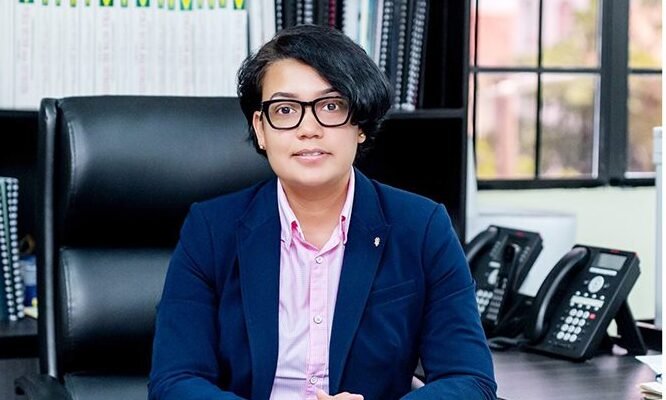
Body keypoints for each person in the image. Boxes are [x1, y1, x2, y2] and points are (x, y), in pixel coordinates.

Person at [148, 24, 497, 400]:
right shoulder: (211, 230)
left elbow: (470, 379)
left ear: (360, 124)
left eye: (331, 106)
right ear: (261, 129)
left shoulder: (422, 228)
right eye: (285, 110)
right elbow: (175, 380)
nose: (308, 129)